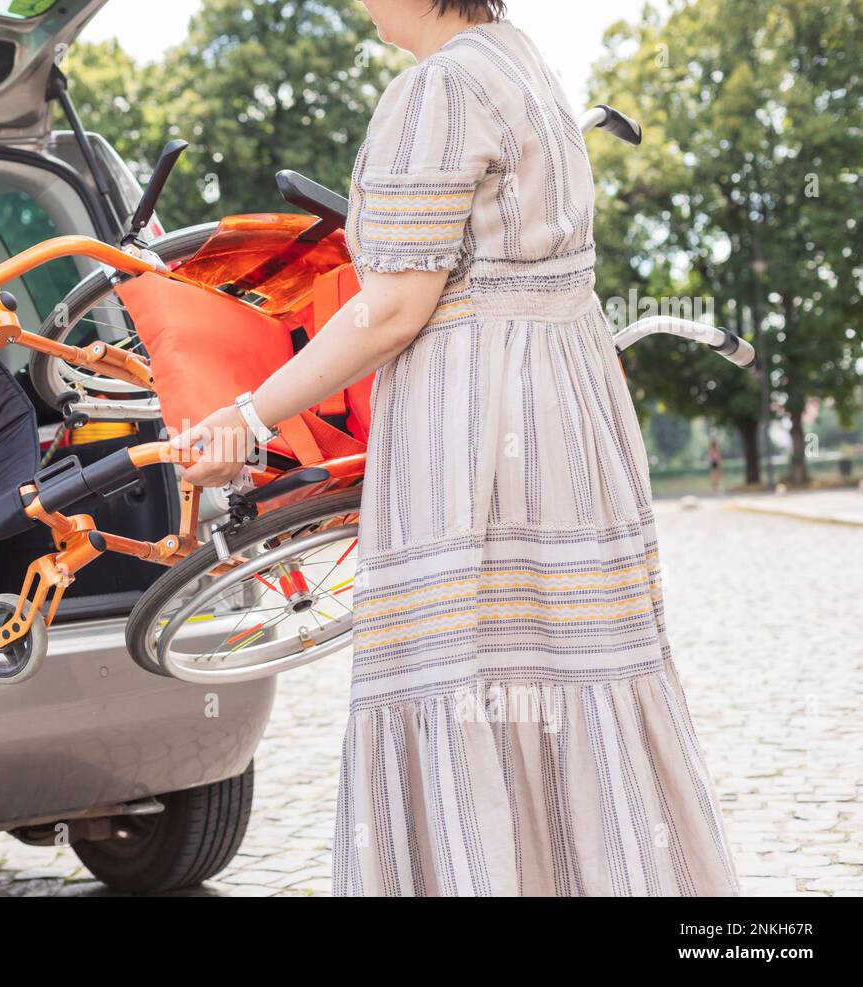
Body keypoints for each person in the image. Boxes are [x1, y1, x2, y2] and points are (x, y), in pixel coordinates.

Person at [170, 0, 740, 896]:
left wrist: (247, 411)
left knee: (468, 670)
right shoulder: (524, 66)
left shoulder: (439, 87)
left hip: (473, 419)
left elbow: (392, 308)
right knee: (565, 668)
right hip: (564, 405)